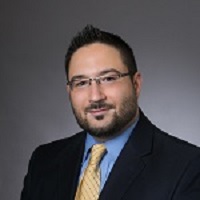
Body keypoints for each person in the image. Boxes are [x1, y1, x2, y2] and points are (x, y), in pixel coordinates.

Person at [21, 25, 200, 200]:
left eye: (108, 79)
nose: (95, 96)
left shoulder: (188, 167)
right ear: (70, 92)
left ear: (135, 84)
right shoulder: (44, 161)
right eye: (81, 83)